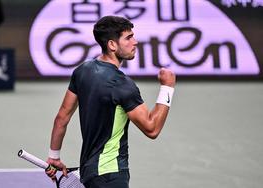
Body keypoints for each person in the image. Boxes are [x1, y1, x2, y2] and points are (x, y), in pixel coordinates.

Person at [45, 15, 176, 188]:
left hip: (89, 173)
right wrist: (167, 87)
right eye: (128, 38)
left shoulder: (82, 71)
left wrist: (54, 156)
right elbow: (152, 129)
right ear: (112, 45)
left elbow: (62, 117)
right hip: (111, 175)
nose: (135, 42)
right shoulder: (122, 85)